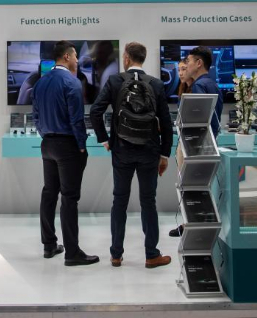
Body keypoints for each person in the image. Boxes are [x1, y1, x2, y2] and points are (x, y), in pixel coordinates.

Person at [90, 42, 173, 269]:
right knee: (148, 201)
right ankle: (151, 255)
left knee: (119, 200)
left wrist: (104, 139)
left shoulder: (115, 81)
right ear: (143, 59)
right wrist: (164, 154)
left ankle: (116, 255)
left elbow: (95, 111)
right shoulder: (156, 84)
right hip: (149, 150)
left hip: (122, 150)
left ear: (126, 58)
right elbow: (167, 123)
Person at [31, 40, 99, 266]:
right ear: (67, 57)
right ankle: (72, 253)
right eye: (76, 56)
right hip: (68, 146)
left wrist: (45, 135)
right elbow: (76, 119)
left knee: (49, 193)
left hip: (47, 145)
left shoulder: (40, 82)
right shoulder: (71, 82)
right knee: (69, 198)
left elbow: (36, 116)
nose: (78, 61)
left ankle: (49, 245)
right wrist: (81, 145)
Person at [169, 46, 223, 238]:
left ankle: (191, 227)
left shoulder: (199, 86)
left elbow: (197, 122)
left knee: (189, 188)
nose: (186, 66)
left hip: (194, 146)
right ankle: (195, 226)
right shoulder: (213, 84)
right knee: (201, 187)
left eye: (189, 62)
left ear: (199, 63)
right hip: (208, 143)